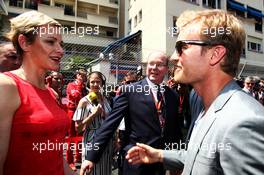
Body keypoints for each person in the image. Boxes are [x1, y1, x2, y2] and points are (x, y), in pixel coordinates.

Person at [126, 9, 264, 175]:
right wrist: (160, 154)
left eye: (182, 47)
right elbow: (203, 157)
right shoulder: (207, 108)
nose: (173, 58)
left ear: (216, 54)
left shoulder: (243, 122)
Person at [80, 51, 182, 175]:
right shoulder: (130, 91)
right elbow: (110, 124)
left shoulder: (173, 96)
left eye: (159, 64)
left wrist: (175, 161)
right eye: (151, 64)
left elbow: (175, 130)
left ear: (166, 69)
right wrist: (91, 157)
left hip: (159, 162)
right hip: (135, 161)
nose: (154, 68)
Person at [0, 11, 74, 175]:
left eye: (61, 44)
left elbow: (55, 156)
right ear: (24, 43)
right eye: (50, 42)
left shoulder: (52, 94)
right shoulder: (6, 86)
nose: (60, 50)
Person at [66, 68, 87, 170]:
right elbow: (75, 96)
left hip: (82, 113)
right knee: (71, 137)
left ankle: (77, 157)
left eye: (84, 76)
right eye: (81, 75)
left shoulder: (85, 88)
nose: (82, 78)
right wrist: (79, 85)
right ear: (77, 76)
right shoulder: (71, 85)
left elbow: (90, 99)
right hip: (72, 111)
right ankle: (70, 161)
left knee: (80, 136)